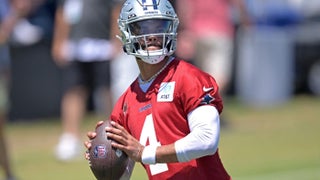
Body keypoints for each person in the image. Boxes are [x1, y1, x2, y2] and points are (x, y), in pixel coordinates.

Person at [85, 0, 231, 179]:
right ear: (126, 33)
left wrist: (144, 153)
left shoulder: (189, 78)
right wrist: (104, 160)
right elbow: (123, 175)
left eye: (159, 27)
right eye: (144, 28)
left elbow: (206, 140)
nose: (152, 35)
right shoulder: (125, 103)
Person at [52, 0, 120, 161]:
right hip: (75, 48)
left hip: (101, 47)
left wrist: (116, 39)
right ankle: (70, 137)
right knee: (74, 91)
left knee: (105, 91)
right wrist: (59, 40)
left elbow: (116, 11)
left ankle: (112, 135)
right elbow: (62, 14)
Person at [175, 0, 249, 95]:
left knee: (204, 75)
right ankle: (208, 100)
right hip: (220, 32)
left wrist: (184, 30)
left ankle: (204, 101)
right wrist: (245, 19)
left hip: (197, 32)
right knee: (220, 75)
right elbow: (238, 3)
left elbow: (184, 7)